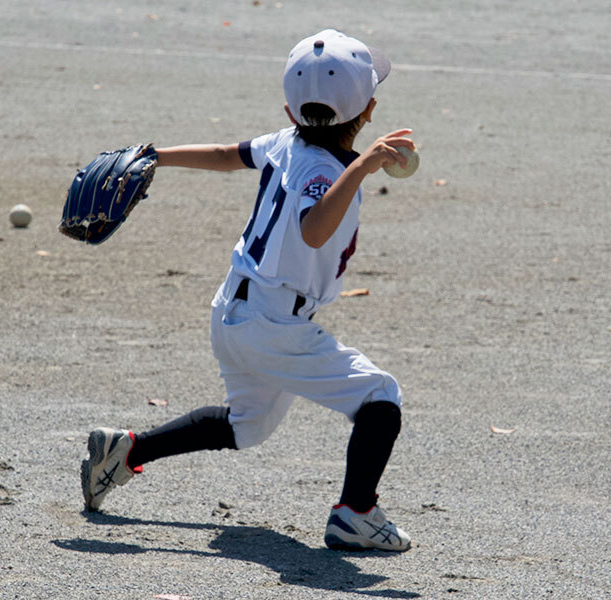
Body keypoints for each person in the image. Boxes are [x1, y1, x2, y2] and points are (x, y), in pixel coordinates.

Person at [81, 29, 417, 552]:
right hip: (272, 325)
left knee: (247, 427)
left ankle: (126, 451)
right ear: (369, 110)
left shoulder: (284, 142)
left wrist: (156, 155)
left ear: (290, 111)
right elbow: (314, 229)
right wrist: (361, 165)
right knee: (380, 396)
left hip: (234, 313)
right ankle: (356, 513)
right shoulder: (328, 170)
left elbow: (225, 153)